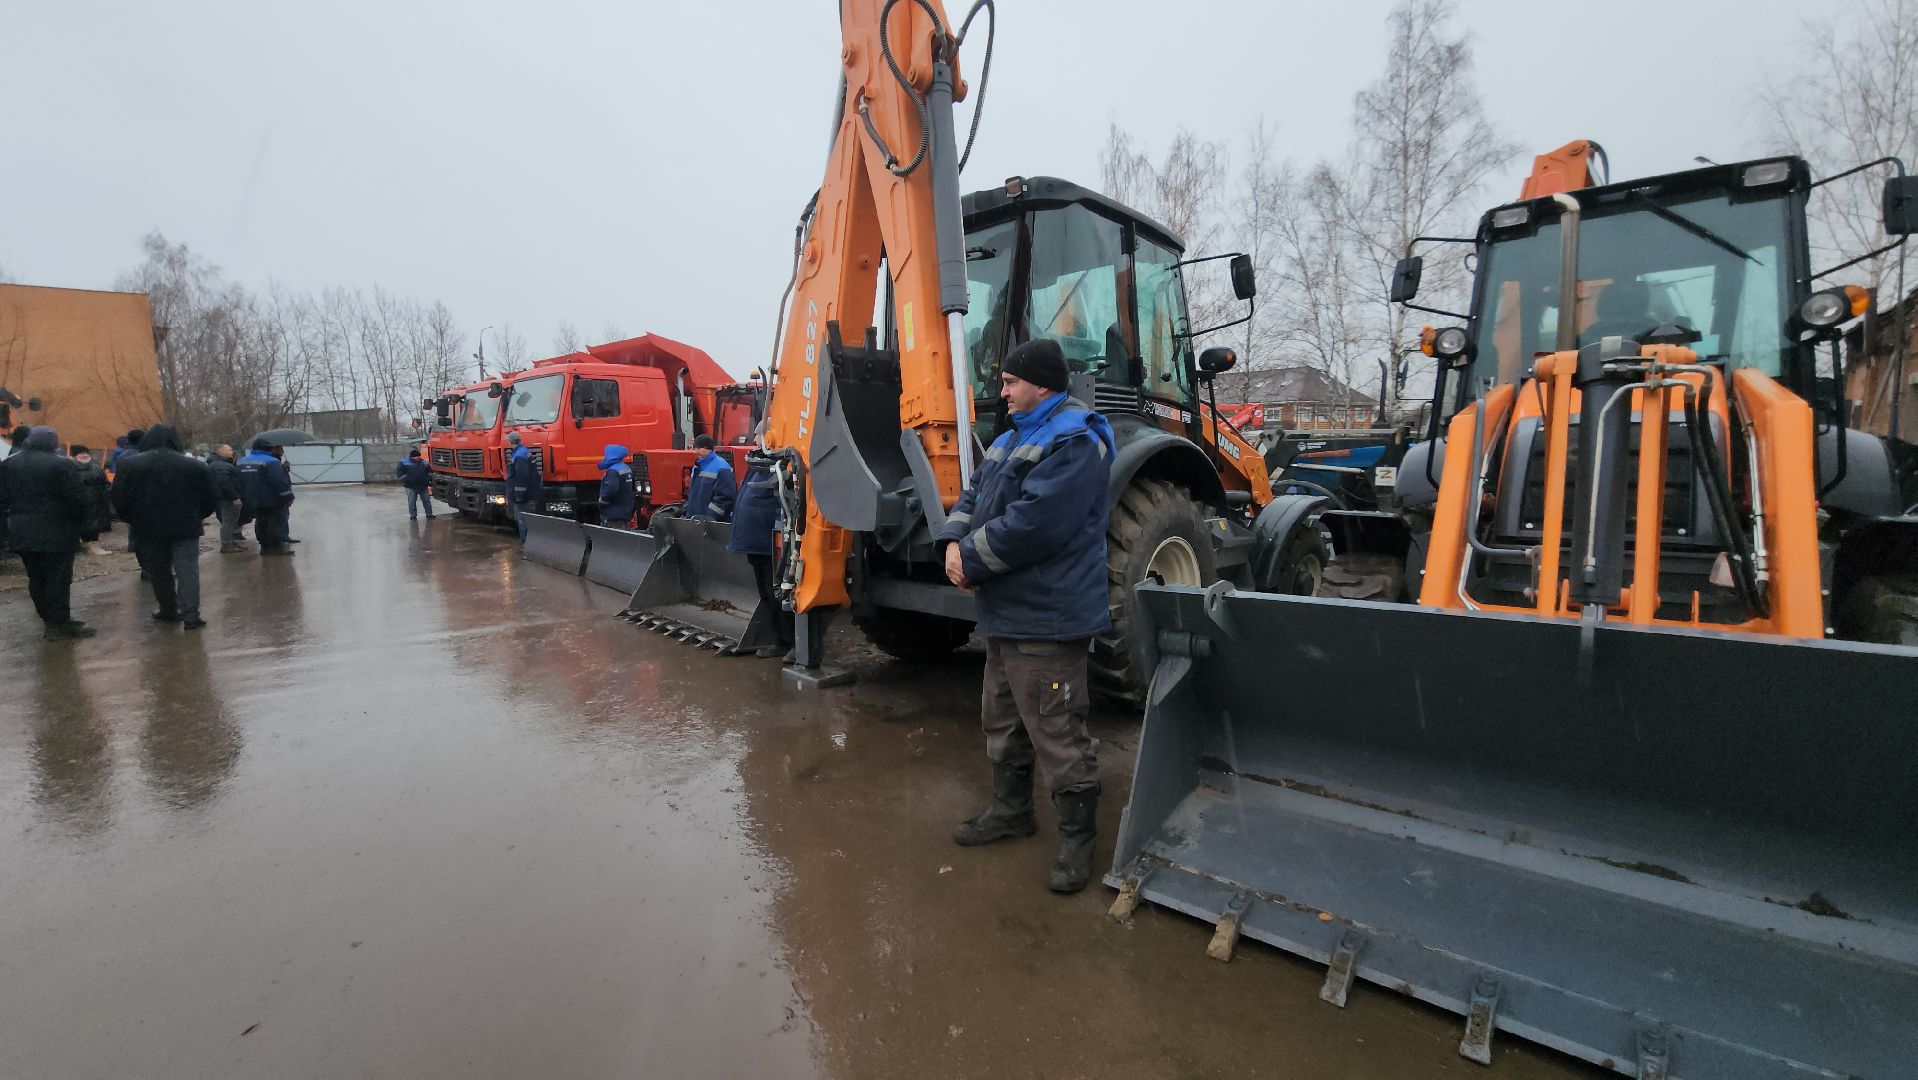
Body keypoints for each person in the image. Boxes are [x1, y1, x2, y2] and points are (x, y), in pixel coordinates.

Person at [935, 338, 1115, 894]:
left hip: (1048, 615)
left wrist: (968, 559)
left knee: (1058, 729)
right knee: (1003, 719)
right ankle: (1012, 812)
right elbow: (973, 495)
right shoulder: (1013, 437)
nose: (1004, 392)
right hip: (1007, 614)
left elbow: (1036, 525)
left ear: (1041, 384)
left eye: (1011, 382)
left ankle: (1077, 843)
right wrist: (950, 539)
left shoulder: (1075, 438)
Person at [112, 424, 220, 629]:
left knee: (158, 571)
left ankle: (168, 610)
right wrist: (197, 515)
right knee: (187, 570)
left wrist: (131, 519)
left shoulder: (129, 465)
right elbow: (211, 497)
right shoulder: (195, 466)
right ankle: (191, 616)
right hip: (186, 526)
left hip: (147, 528)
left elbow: (118, 498)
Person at [0, 427, 96, 639]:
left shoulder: (9, 464)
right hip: (58, 530)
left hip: (22, 530)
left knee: (36, 577)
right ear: (53, 443)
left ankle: (48, 619)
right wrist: (82, 524)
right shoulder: (61, 465)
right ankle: (58, 623)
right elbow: (77, 499)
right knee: (58, 578)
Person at [725, 451, 795, 660]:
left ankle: (793, 643)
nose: (757, 440)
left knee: (780, 595)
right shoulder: (757, 468)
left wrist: (780, 535)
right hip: (755, 543)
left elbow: (783, 504)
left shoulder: (780, 467)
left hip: (770, 546)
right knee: (766, 595)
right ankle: (779, 641)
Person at [239, 439, 296, 556]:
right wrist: (288, 497)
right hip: (272, 500)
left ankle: (264, 547)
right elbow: (279, 482)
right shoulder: (271, 462)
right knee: (274, 522)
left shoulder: (242, 462)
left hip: (252, 499)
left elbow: (238, 481)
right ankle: (273, 548)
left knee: (260, 521)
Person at [68, 444, 114, 556]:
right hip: (82, 501)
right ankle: (84, 545)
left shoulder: (96, 468)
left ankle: (90, 545)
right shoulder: (68, 468)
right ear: (74, 456)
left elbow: (106, 485)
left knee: (92, 525)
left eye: (85, 453)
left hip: (94, 501)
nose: (84, 455)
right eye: (81, 453)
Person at [683, 435, 735, 521]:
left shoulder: (721, 467)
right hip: (696, 521)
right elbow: (693, 493)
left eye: (699, 448)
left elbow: (725, 498)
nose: (696, 451)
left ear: (709, 449)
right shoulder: (696, 467)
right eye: (694, 447)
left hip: (711, 524)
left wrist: (710, 517)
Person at [207, 444, 246, 552]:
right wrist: (234, 497)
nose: (232, 451)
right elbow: (224, 483)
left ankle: (230, 541)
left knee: (230, 521)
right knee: (229, 521)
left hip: (222, 498)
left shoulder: (218, 464)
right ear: (221, 452)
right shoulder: (222, 466)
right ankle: (226, 544)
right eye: (229, 450)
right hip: (227, 499)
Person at [505, 432, 543, 542]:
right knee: (527, 520)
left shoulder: (519, 455)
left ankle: (525, 543)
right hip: (530, 493)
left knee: (522, 521)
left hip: (523, 497)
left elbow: (521, 477)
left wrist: (519, 495)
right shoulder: (524, 452)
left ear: (511, 442)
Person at [595, 444, 637, 529]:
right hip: (626, 511)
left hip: (614, 513)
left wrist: (602, 503)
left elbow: (610, 490)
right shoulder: (626, 468)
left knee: (615, 539)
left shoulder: (613, 471)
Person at [269, 444, 301, 543]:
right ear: (274, 450)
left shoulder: (277, 461)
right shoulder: (273, 462)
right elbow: (279, 480)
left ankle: (283, 535)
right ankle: (280, 537)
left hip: (281, 494)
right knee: (280, 516)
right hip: (278, 495)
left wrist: (284, 468)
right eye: (280, 450)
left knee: (284, 515)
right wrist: (288, 497)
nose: (282, 452)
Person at [395, 447, 436, 520]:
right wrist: (407, 480)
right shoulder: (403, 463)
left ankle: (429, 514)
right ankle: (413, 515)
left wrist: (428, 480)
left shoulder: (424, 462)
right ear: (412, 457)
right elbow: (399, 474)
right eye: (416, 457)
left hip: (423, 486)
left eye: (419, 457)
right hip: (410, 486)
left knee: (426, 501)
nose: (418, 458)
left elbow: (429, 473)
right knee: (412, 501)